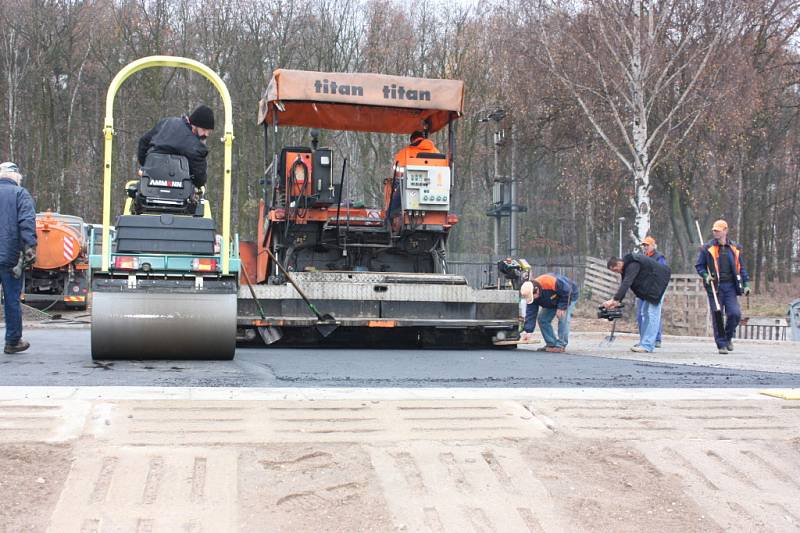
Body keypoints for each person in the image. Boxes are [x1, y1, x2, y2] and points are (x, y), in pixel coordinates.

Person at [695, 219, 750, 354]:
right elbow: (699, 266)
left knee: (735, 314)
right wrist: (706, 276)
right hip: (715, 287)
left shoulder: (735, 248)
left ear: (725, 231)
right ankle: (721, 344)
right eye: (714, 230)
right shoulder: (707, 248)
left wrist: (746, 283)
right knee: (717, 315)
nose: (716, 233)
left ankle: (728, 337)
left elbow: (741, 267)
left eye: (718, 231)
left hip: (731, 286)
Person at [0, 162, 37, 354]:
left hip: (8, 256)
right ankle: (13, 341)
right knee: (11, 300)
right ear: (16, 177)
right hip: (10, 258)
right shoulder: (20, 194)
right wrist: (30, 247)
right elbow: (27, 221)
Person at [603, 253, 671, 353]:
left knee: (652, 314)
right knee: (644, 312)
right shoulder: (626, 266)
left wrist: (615, 299)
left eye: (615, 270)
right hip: (651, 286)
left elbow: (627, 282)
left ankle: (647, 345)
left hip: (658, 284)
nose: (616, 272)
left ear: (619, 263)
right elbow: (624, 284)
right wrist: (617, 301)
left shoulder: (632, 264)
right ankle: (644, 342)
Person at [137, 104, 215, 188]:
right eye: (204, 130)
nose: (206, 134)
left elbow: (143, 141)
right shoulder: (196, 147)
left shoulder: (166, 122)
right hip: (178, 189)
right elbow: (199, 179)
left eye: (208, 131)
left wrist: (145, 164)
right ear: (195, 124)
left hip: (151, 180)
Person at [519, 273, 579, 353]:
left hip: (568, 295)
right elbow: (531, 313)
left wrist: (561, 307)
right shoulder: (531, 296)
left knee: (562, 317)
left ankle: (561, 345)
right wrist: (528, 331)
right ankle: (551, 344)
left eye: (533, 296)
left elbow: (567, 291)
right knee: (542, 319)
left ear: (536, 289)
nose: (533, 299)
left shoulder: (549, 281)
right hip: (552, 299)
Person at [636, 236, 667, 348]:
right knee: (640, 314)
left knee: (653, 314)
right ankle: (643, 338)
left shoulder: (659, 257)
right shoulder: (641, 257)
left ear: (653, 246)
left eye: (647, 245)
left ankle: (656, 338)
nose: (645, 247)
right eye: (644, 245)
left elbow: (662, 273)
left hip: (654, 290)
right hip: (643, 289)